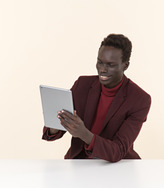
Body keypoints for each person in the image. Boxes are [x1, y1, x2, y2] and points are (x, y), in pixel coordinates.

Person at [42, 34, 151, 162]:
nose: (102, 69)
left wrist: (84, 134)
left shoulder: (139, 99)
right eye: (100, 62)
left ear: (125, 65)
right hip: (80, 162)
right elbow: (52, 134)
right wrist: (58, 124)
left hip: (117, 167)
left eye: (110, 65)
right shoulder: (82, 85)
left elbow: (118, 150)